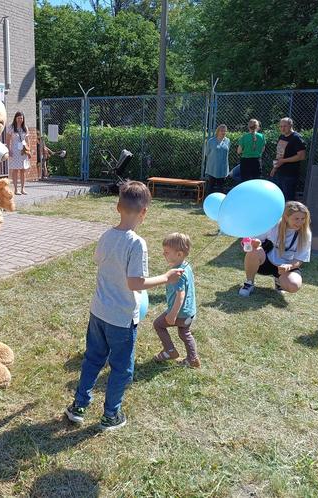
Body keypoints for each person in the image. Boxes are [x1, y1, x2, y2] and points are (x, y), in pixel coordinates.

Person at [64, 181, 184, 431]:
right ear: (144, 213)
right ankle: (110, 415)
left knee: (93, 359)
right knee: (121, 368)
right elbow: (135, 282)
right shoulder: (137, 243)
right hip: (120, 319)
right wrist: (167, 277)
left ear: (118, 207)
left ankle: (79, 406)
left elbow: (100, 261)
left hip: (98, 312)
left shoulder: (106, 235)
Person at [239, 201, 312, 297]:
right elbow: (247, 242)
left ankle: (279, 282)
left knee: (293, 286)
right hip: (266, 263)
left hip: (285, 267)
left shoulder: (305, 233)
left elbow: (299, 259)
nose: (300, 222)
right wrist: (254, 244)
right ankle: (249, 283)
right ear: (286, 217)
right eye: (296, 218)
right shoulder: (273, 225)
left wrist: (289, 266)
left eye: (303, 219)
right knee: (254, 251)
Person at [152, 233, 200, 368]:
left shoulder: (177, 273)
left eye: (167, 252)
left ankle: (170, 351)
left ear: (179, 254)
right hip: (189, 312)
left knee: (158, 324)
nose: (163, 254)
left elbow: (180, 295)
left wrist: (172, 314)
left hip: (180, 313)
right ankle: (193, 358)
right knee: (184, 333)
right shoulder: (186, 266)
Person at [271, 117, 306, 201]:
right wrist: (274, 168)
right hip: (279, 173)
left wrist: (284, 161)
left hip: (290, 174)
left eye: (285, 126)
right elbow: (279, 154)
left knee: (288, 199)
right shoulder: (281, 137)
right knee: (278, 197)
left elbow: (301, 156)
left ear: (291, 125)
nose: (282, 128)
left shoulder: (296, 138)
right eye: (281, 126)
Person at [6, 111, 31, 195]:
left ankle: (23, 189)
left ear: (23, 119)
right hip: (15, 151)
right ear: (15, 118)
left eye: (21, 118)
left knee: (23, 170)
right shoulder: (11, 127)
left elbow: (27, 140)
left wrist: (29, 149)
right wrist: (9, 150)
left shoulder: (25, 128)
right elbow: (8, 140)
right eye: (18, 118)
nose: (20, 119)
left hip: (23, 151)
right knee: (15, 170)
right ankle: (16, 189)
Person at [204, 124, 230, 194]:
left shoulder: (228, 141)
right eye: (222, 131)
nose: (223, 132)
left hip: (223, 168)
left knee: (221, 187)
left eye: (225, 131)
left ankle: (221, 203)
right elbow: (207, 153)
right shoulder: (211, 141)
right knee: (210, 186)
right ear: (217, 131)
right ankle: (207, 201)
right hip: (212, 168)